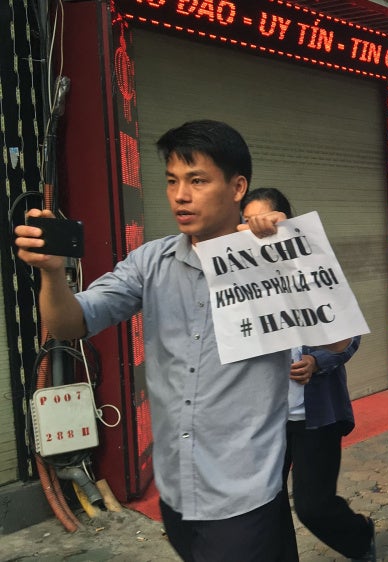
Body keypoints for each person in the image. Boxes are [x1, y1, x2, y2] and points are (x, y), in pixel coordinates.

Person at [13, 120, 352, 561]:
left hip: (244, 496)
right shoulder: (149, 262)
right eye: (172, 181)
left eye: (197, 181)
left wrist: (292, 255)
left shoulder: (270, 260)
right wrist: (52, 273)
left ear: (237, 187)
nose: (180, 195)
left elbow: (339, 340)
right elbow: (69, 325)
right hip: (176, 491)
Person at [240, 188, 374, 562]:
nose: (260, 231)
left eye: (268, 221)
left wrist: (317, 361)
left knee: (314, 506)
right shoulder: (235, 285)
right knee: (268, 505)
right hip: (266, 418)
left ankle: (359, 537)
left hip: (316, 415)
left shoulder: (316, 271)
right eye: (249, 223)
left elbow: (350, 338)